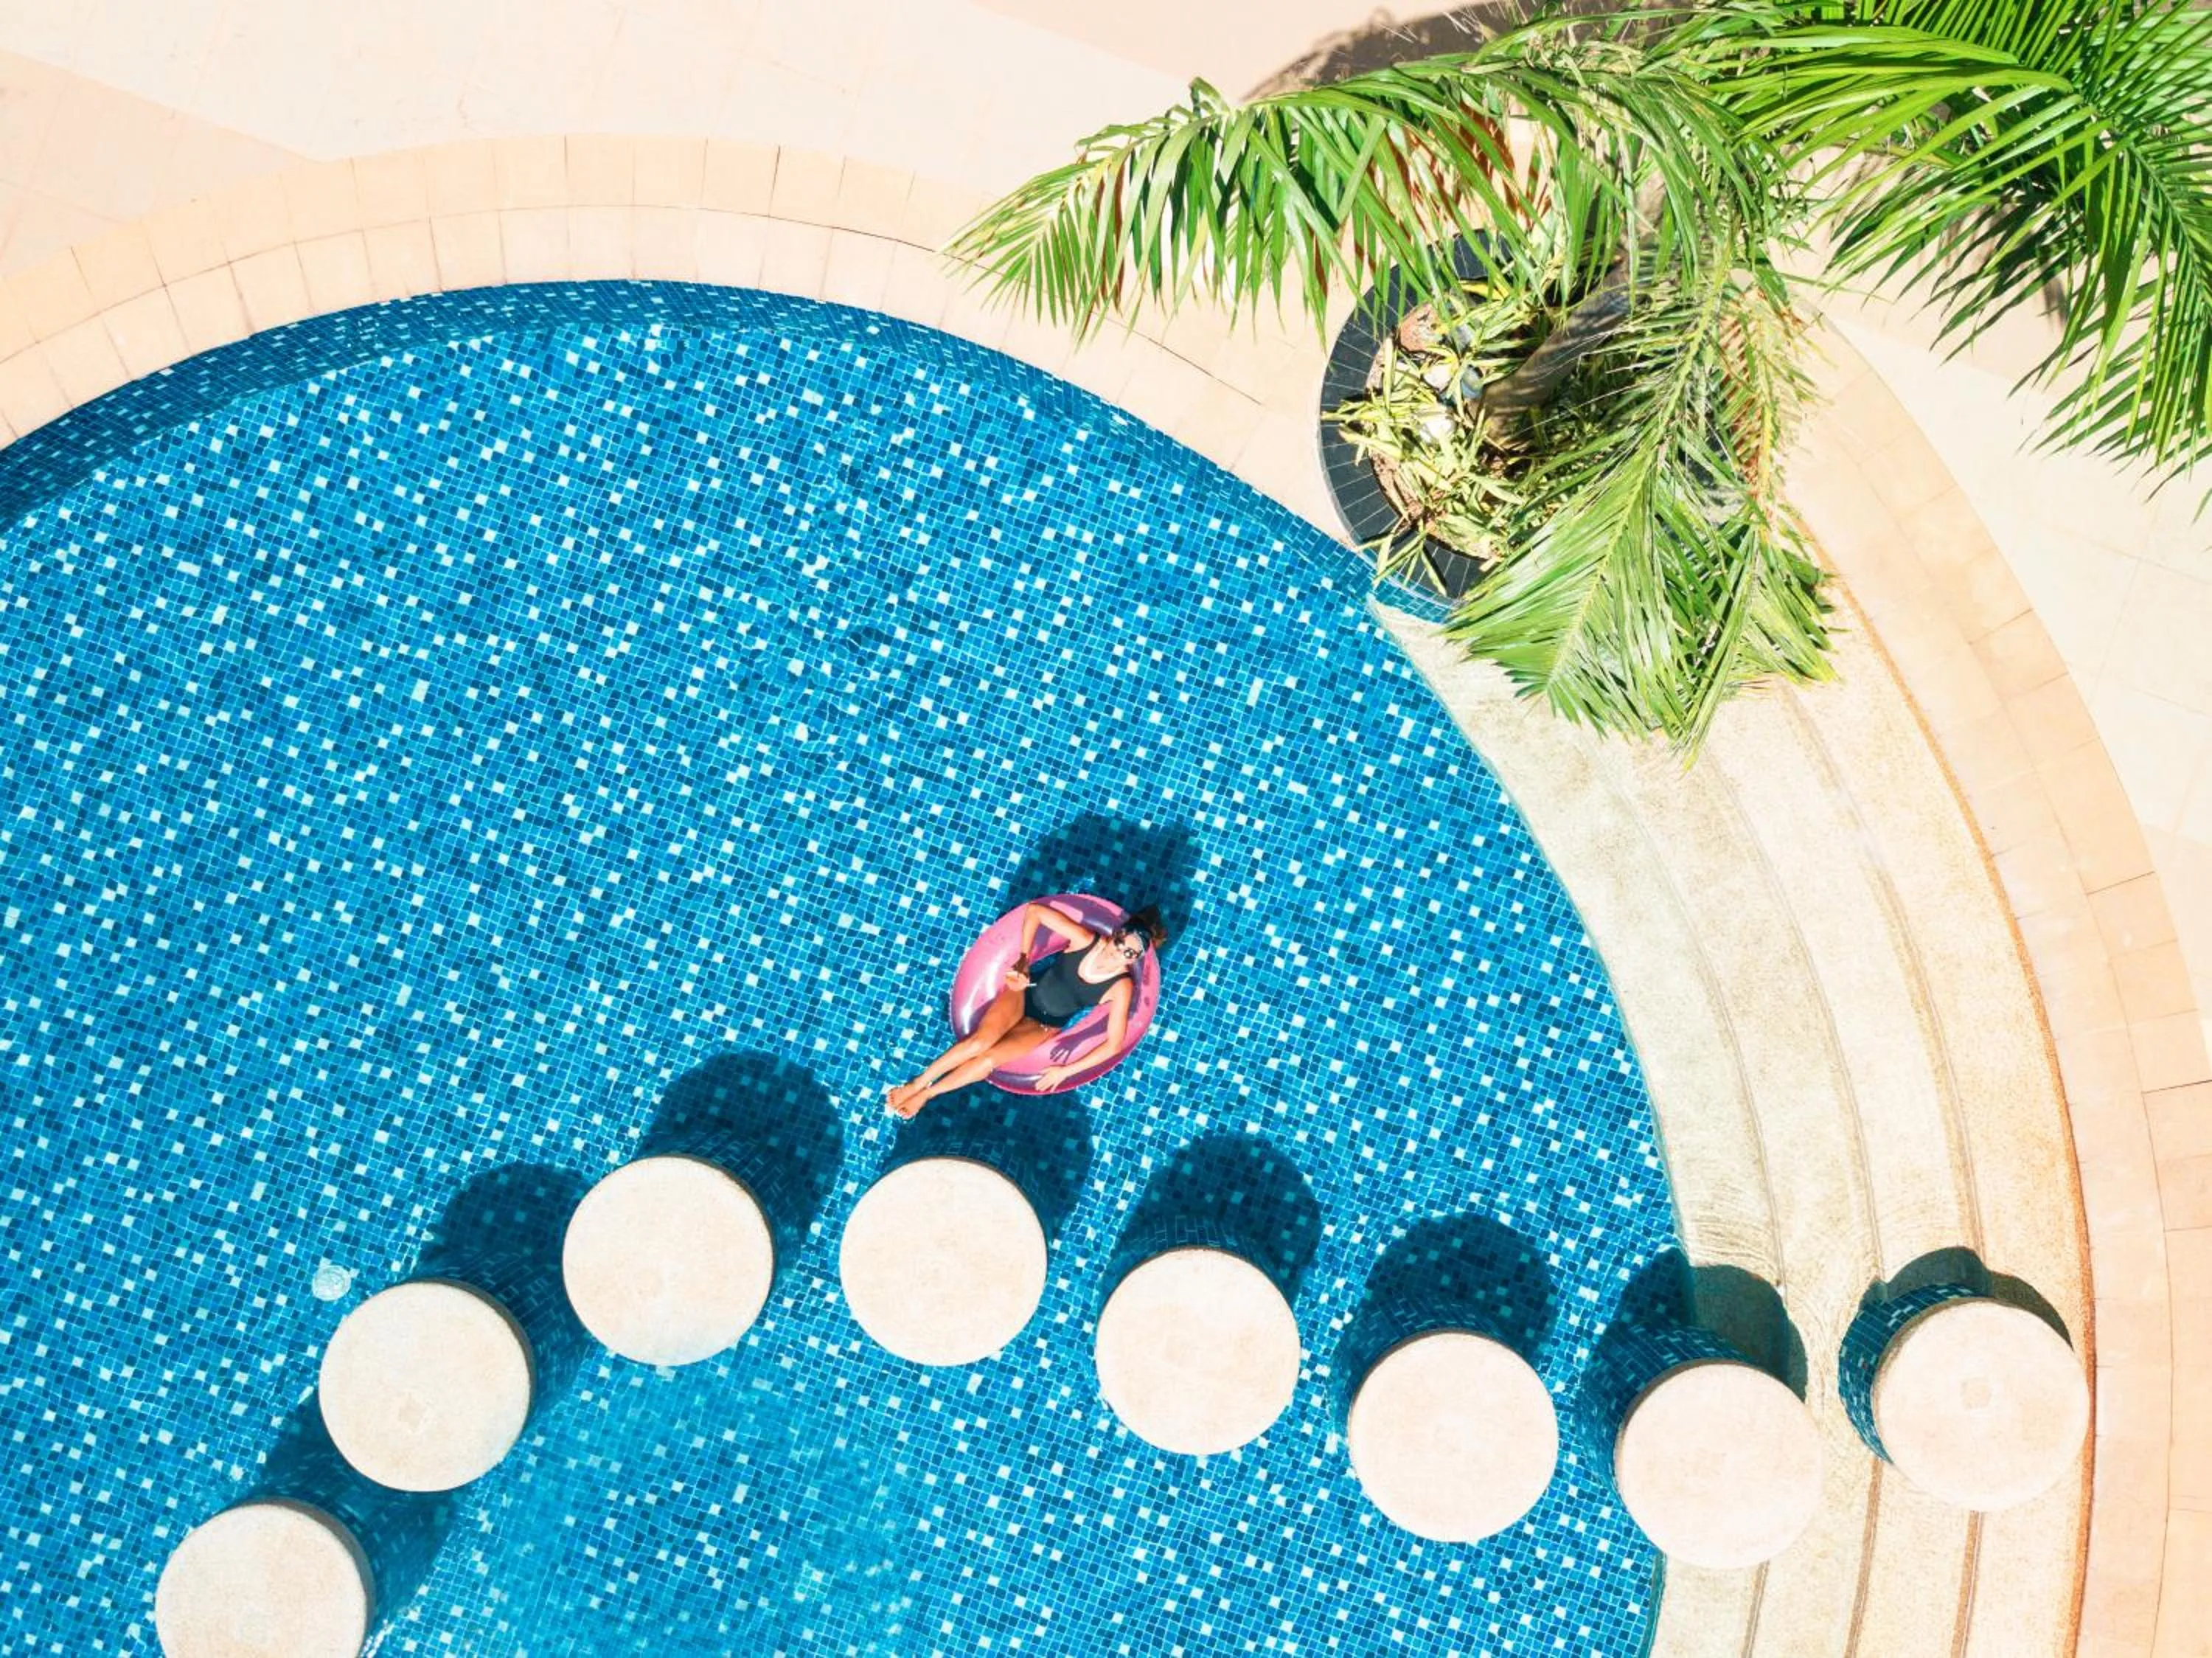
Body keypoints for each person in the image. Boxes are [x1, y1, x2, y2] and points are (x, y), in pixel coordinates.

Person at [886, 901, 1167, 1117]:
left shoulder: (1121, 987)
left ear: (1139, 957)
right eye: (1121, 944)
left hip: (1044, 1026)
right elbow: (1035, 911)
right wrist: (1023, 959)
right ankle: (916, 1083)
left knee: (987, 1062)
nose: (1120, 953)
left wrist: (1065, 1072)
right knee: (980, 1043)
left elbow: (1113, 1045)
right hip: (1023, 992)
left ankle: (929, 1094)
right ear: (1117, 934)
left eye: (1130, 954)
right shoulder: (1086, 940)